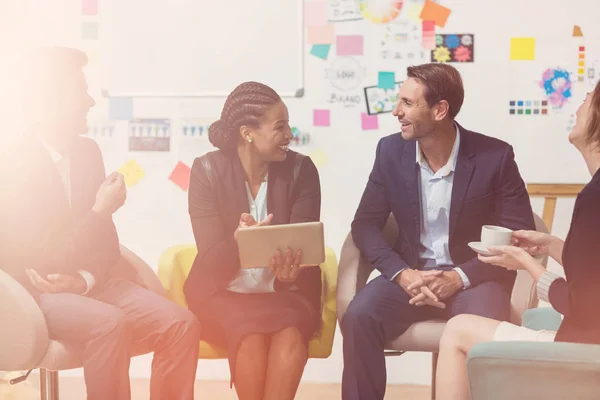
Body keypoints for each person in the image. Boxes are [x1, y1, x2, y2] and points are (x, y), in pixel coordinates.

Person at [0, 47, 200, 400]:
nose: (90, 102)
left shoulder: (88, 151)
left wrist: (85, 279)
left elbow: (107, 244)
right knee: (109, 324)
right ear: (49, 102)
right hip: (32, 292)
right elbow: (43, 259)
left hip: (89, 283)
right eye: (80, 92)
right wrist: (98, 212)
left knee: (182, 323)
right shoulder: (12, 162)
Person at [341, 63, 536, 400]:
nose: (396, 111)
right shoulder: (389, 151)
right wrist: (401, 273)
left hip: (474, 279)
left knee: (484, 328)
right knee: (359, 316)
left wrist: (457, 277)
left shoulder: (495, 156)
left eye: (407, 103)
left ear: (439, 109)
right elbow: (365, 224)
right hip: (411, 276)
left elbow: (519, 235)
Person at [435, 80, 600, 400]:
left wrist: (526, 264)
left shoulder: (594, 198)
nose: (578, 108)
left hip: (583, 351)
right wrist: (550, 245)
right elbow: (593, 276)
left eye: (587, 99)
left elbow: (581, 305)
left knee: (457, 332)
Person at [184, 81, 322, 400]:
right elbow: (209, 257)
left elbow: (303, 244)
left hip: (288, 294)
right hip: (223, 293)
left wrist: (291, 273)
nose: (289, 135)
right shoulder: (206, 170)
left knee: (289, 339)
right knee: (250, 340)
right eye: (280, 126)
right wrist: (238, 243)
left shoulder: (302, 170)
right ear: (248, 132)